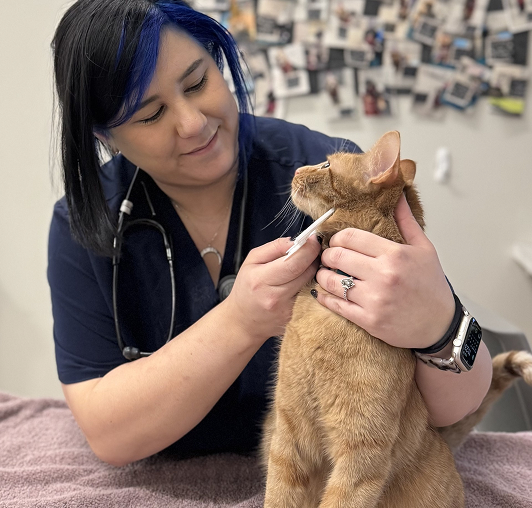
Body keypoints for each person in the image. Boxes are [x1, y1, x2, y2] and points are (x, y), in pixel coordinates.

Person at [48, 0, 492, 467]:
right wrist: (240, 323)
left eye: (198, 82)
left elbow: (451, 406)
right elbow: (110, 436)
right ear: (105, 137)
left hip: (329, 475)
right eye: (151, 115)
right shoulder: (86, 223)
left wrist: (437, 324)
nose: (194, 123)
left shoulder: (331, 178)